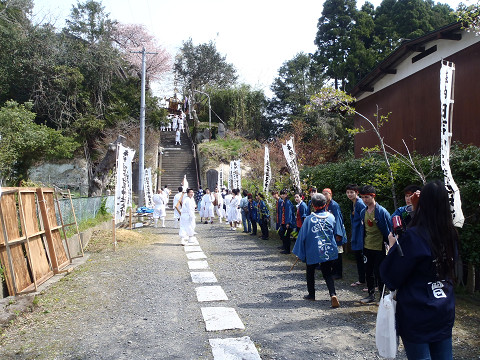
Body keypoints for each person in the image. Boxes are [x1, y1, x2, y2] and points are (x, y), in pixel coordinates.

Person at [380, 180, 458, 360]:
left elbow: (391, 277)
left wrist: (392, 247)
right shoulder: (450, 233)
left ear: (423, 204)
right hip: (444, 307)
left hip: (417, 311)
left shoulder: (413, 237)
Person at [292, 193, 340, 308]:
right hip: (327, 249)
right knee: (327, 273)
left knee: (310, 272)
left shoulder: (309, 219)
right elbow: (336, 233)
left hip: (312, 250)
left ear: (313, 205)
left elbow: (302, 237)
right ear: (325, 204)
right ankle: (332, 294)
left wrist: (300, 252)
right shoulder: (331, 217)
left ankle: (311, 294)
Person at [358, 185, 392, 304]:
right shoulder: (363, 211)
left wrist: (389, 245)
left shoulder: (382, 211)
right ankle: (370, 294)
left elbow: (389, 229)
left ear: (373, 196)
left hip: (380, 246)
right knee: (368, 271)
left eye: (367, 197)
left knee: (380, 272)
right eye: (362, 197)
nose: (364, 200)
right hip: (367, 245)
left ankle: (382, 296)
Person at [322, 188, 347, 280]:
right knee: (332, 252)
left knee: (338, 253)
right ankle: (333, 271)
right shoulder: (325, 205)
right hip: (329, 232)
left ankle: (338, 273)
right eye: (323, 194)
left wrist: (338, 233)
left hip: (336, 232)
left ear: (330, 194)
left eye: (326, 194)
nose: (324, 196)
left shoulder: (334, 205)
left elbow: (338, 220)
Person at [345, 184, 367, 287]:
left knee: (363, 257)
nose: (349, 194)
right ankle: (361, 279)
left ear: (356, 192)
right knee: (358, 257)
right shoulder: (353, 203)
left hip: (361, 234)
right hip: (356, 233)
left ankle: (368, 281)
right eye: (348, 192)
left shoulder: (360, 204)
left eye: (351, 192)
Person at [278, 189, 295, 254]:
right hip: (283, 221)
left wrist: (288, 222)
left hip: (287, 222)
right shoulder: (283, 202)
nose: (282, 195)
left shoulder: (288, 202)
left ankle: (287, 250)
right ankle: (285, 248)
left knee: (286, 236)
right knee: (282, 234)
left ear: (286, 195)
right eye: (281, 194)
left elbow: (289, 213)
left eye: (283, 194)